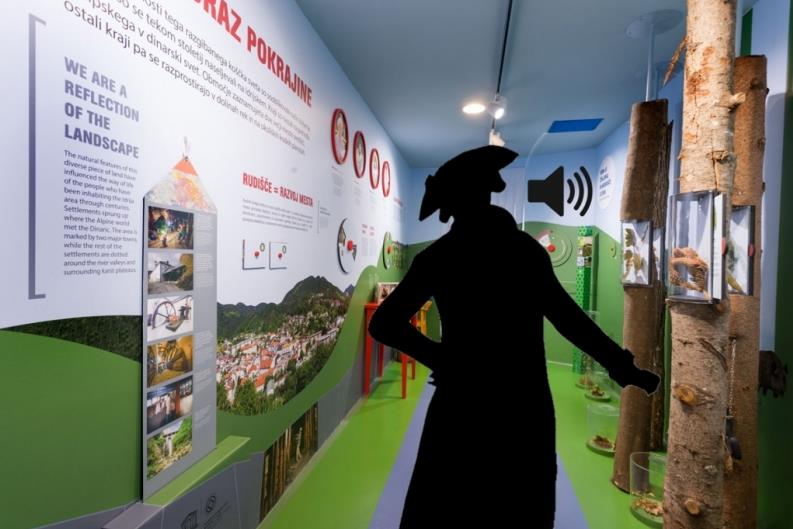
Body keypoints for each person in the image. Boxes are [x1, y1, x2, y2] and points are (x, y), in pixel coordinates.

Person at [368, 145, 659, 529]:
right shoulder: (524, 252)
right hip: (523, 406)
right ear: (482, 192)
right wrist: (620, 365)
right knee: (522, 507)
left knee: (444, 504)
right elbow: (569, 320)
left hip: (461, 405)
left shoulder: (439, 256)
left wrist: (443, 360)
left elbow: (383, 323)